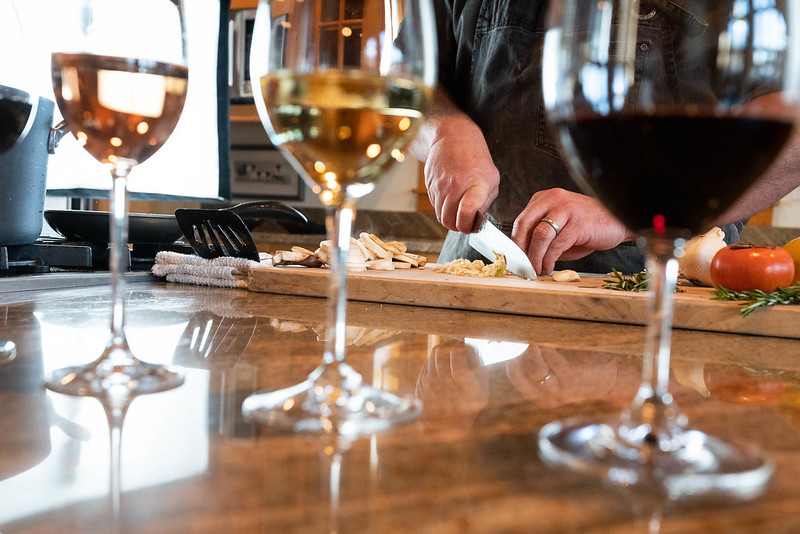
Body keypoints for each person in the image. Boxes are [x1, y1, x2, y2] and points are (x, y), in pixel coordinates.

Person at [409, 0, 800, 275]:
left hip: (650, 286)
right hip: (469, 273)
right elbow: (404, 76)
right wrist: (442, 130)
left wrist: (628, 213)